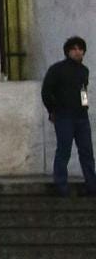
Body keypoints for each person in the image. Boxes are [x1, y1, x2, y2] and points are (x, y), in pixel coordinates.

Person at [40, 35, 95, 198]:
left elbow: (83, 90)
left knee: (87, 151)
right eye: (74, 49)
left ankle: (92, 185)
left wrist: (85, 105)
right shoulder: (57, 69)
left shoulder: (84, 71)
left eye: (80, 49)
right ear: (68, 51)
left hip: (81, 116)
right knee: (64, 150)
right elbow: (46, 91)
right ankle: (61, 186)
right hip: (64, 116)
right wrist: (52, 110)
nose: (78, 52)